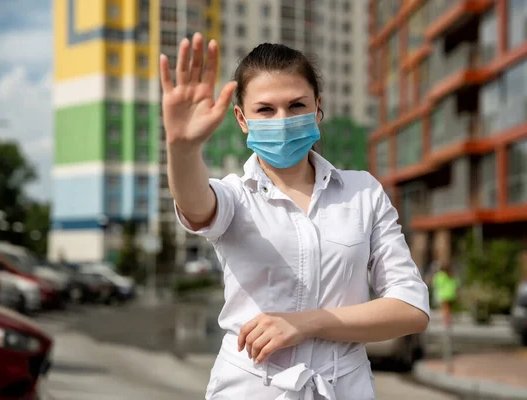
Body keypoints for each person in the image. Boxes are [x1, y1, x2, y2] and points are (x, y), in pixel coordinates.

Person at [161, 33, 430, 400]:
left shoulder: (363, 192)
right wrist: (183, 149)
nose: (282, 119)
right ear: (241, 118)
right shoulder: (235, 196)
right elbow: (195, 205)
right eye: (265, 110)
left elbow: (410, 307)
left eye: (296, 105)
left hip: (345, 388)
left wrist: (307, 324)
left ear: (317, 109)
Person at [432, 260, 458, 329]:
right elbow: (455, 284)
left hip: (443, 294)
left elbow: (435, 284)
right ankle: (448, 321)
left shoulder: (440, 275)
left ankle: (446, 322)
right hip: (451, 294)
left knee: (444, 309)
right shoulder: (450, 275)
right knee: (449, 309)